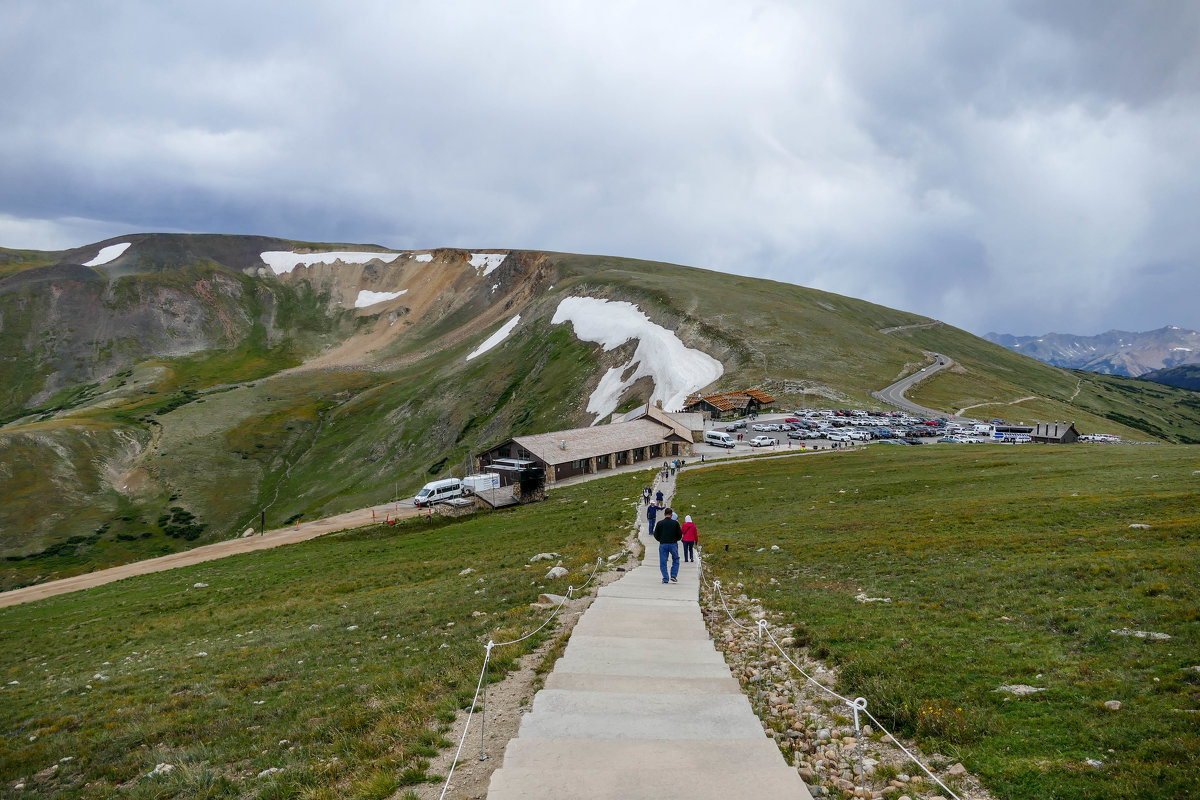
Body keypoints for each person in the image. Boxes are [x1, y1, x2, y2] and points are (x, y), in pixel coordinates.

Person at [652, 507, 683, 583]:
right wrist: (676, 539)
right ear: (671, 515)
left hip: (663, 544)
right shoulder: (675, 523)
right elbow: (680, 535)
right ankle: (673, 575)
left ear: (664, 514)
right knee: (676, 559)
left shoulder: (659, 523)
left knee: (663, 562)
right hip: (673, 544)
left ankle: (665, 578)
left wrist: (660, 540)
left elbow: (655, 534)